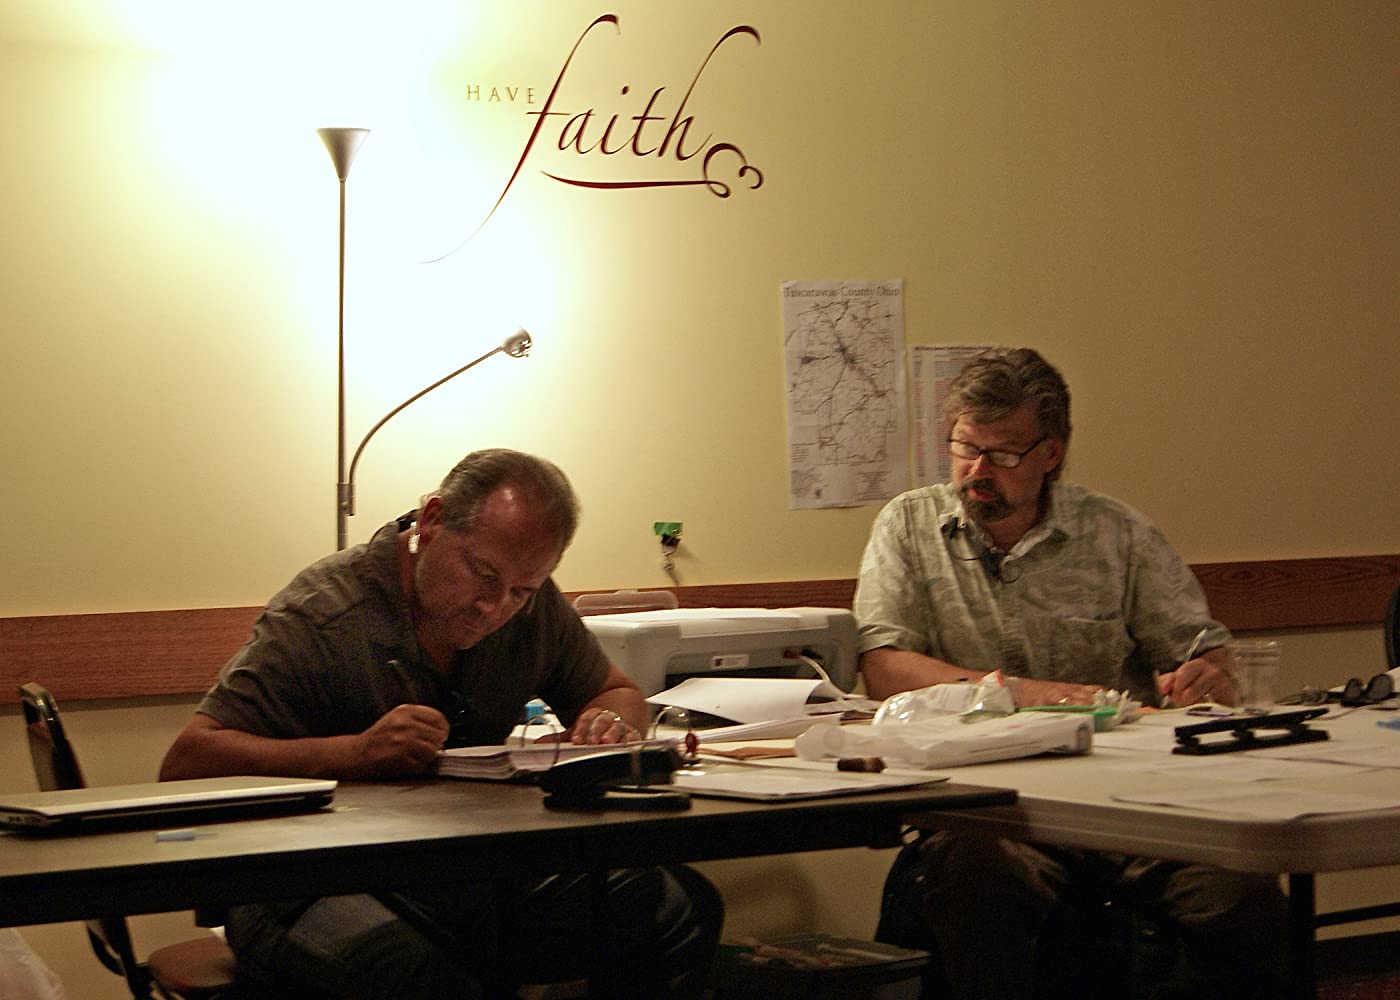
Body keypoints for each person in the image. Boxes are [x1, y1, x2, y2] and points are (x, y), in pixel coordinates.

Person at [161, 448, 721, 1000]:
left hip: (457, 870)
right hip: (300, 879)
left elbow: (615, 691)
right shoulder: (324, 615)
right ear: (432, 521)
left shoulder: (531, 607)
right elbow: (188, 763)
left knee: (674, 908)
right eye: (483, 575)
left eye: (521, 591)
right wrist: (351, 755)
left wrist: (608, 723)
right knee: (416, 976)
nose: (494, 607)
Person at [855, 348, 1286, 998]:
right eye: (965, 448)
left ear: (1051, 453)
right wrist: (1017, 694)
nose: (977, 472)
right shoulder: (910, 528)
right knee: (979, 883)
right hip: (989, 808)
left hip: (1125, 802)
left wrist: (1209, 676)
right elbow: (884, 669)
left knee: (1241, 894)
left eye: (1003, 455)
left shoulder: (1116, 534)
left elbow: (1205, 652)